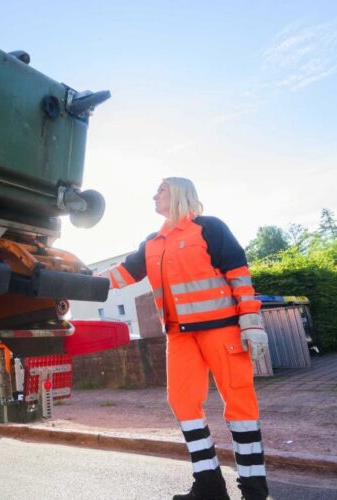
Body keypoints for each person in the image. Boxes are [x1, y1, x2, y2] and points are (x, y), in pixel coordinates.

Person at [100, 177, 270, 500]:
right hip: (179, 337)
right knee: (181, 402)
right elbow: (121, 275)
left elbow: (239, 275)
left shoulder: (209, 228)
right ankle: (209, 486)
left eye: (160, 190)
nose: (154, 195)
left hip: (222, 329)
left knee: (240, 404)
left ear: (178, 192)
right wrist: (80, 281)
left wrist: (251, 321)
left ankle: (254, 490)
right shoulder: (152, 242)